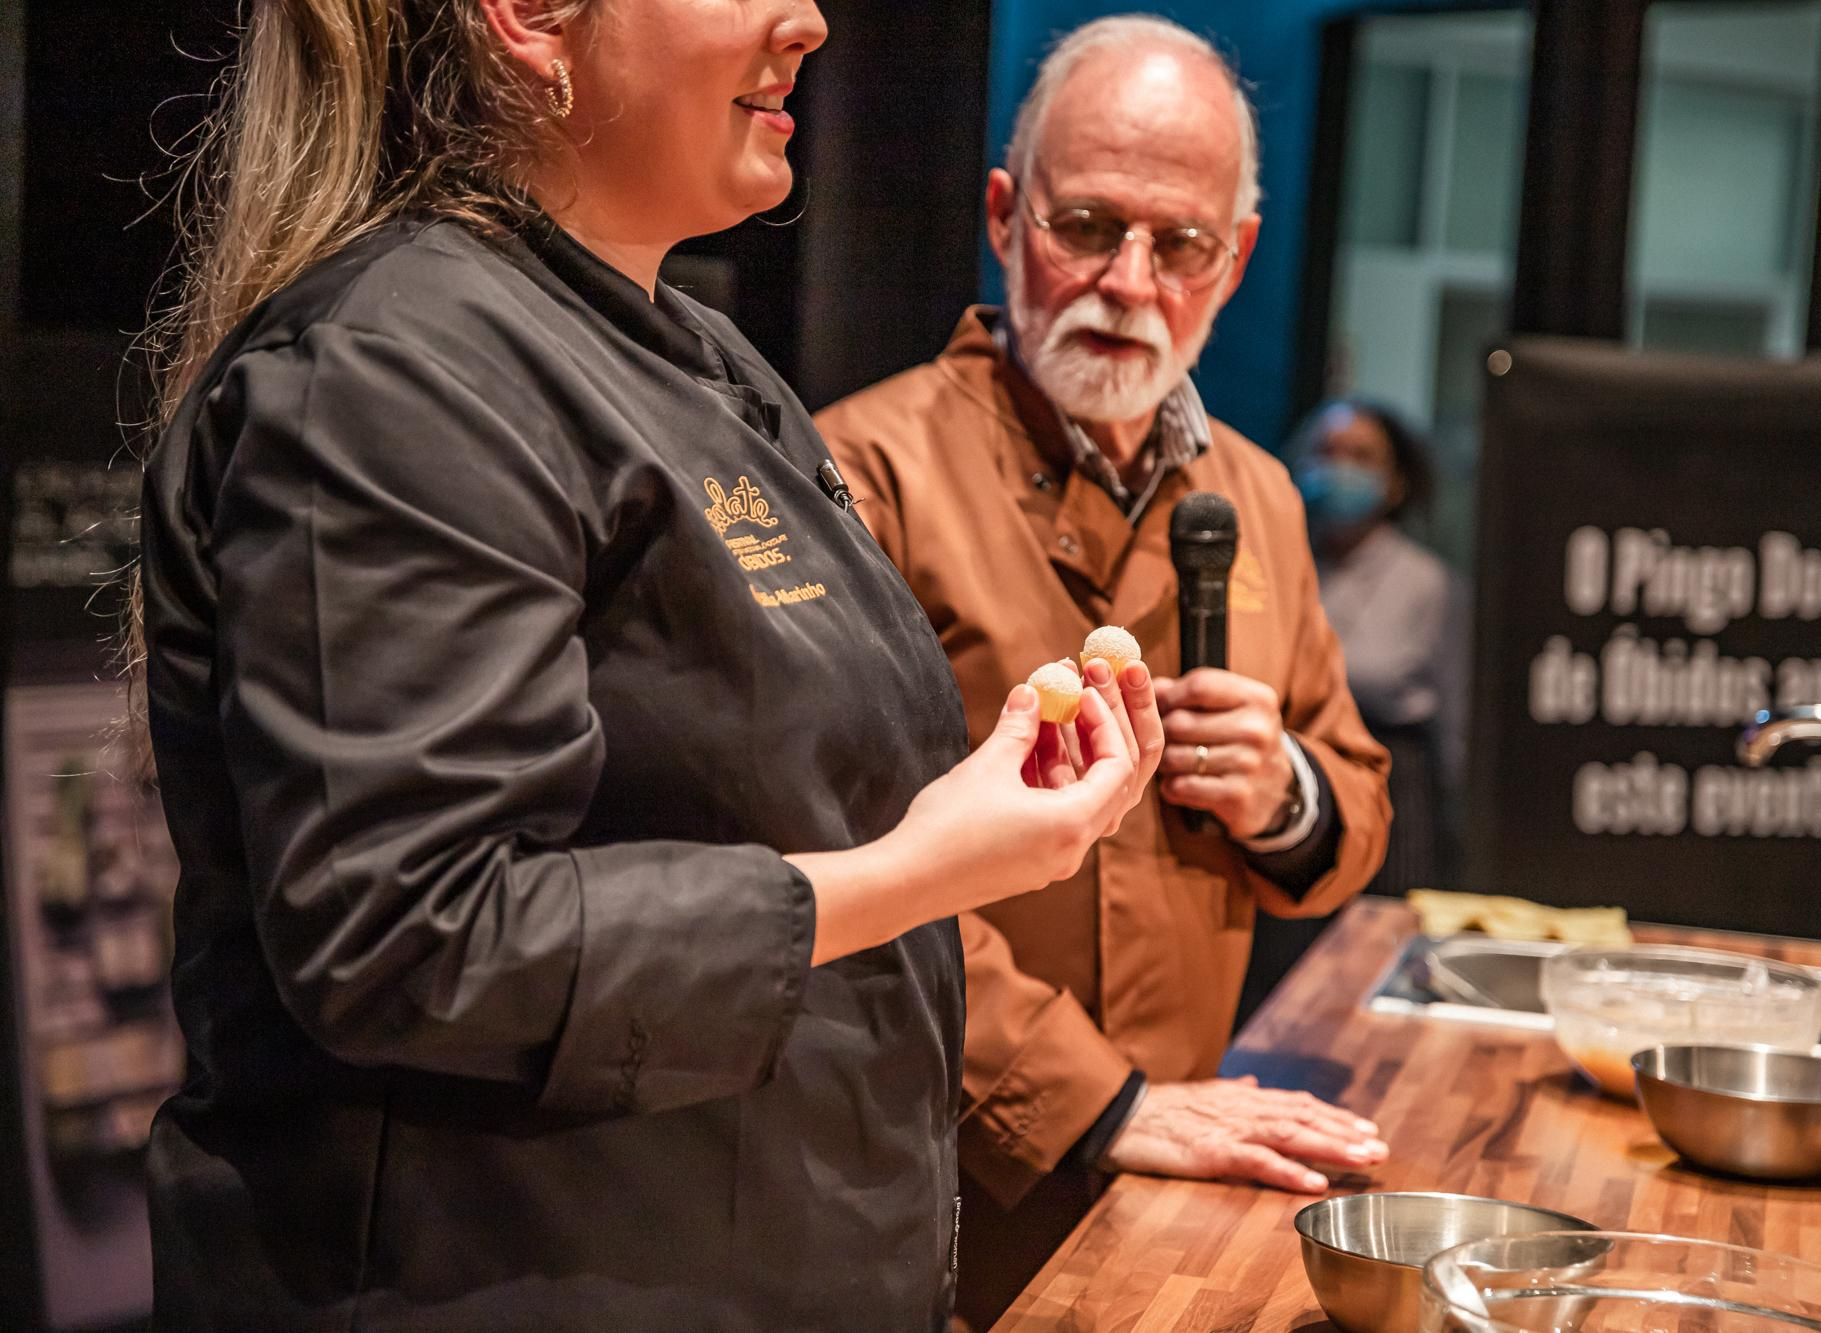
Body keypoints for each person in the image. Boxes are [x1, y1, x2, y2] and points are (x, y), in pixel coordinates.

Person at [131, 1, 1163, 1328]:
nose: (811, 20)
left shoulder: (698, 357)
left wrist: (967, 807)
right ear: (530, 17)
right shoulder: (394, 366)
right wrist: (918, 869)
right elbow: (412, 935)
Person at [814, 17, 1393, 1324]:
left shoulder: (1258, 493)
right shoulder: (858, 471)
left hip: (1182, 1175)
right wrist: (1104, 1101)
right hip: (931, 1177)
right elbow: (838, 878)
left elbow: (1354, 802)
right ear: (1006, 218)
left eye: (1180, 243)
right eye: (1087, 226)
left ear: (1236, 260)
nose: (1129, 281)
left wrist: (1286, 794)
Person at [1235, 400, 1470, 1021]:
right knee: (1279, 981)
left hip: (1394, 787)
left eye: (1360, 457)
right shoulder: (1268, 566)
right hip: (1283, 776)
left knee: (1369, 975)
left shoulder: (1427, 583)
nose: (1339, 469)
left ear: (1394, 482)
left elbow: (1457, 724)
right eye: (1327, 452)